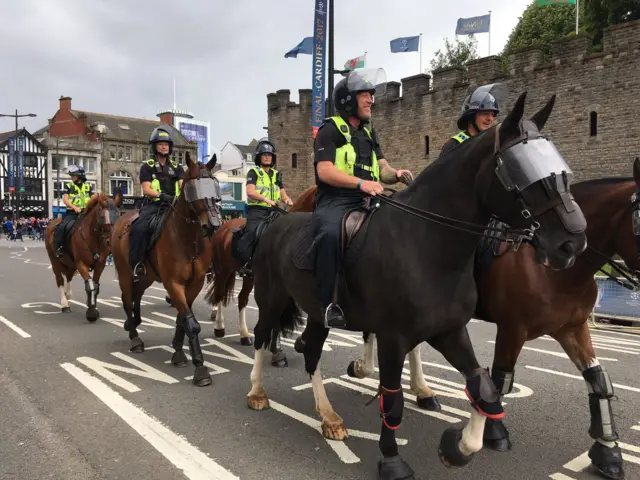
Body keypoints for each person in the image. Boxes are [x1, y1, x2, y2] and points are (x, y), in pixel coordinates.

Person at [312, 70, 414, 328]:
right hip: (336, 200)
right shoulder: (329, 130)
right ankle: (328, 303)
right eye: (365, 95)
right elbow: (324, 171)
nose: (371, 100)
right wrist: (361, 183)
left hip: (369, 198)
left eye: (371, 95)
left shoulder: (369, 133)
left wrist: (397, 174)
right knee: (330, 234)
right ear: (348, 99)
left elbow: (383, 169)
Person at [129, 126, 184, 282]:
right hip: (153, 206)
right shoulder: (147, 167)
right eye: (160, 144)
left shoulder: (177, 168)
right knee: (139, 228)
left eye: (166, 144)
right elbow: (146, 190)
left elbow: (182, 184)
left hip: (173, 206)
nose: (163, 146)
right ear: (154, 146)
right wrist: (161, 195)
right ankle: (137, 263)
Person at [237, 139, 293, 275]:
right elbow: (250, 191)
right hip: (257, 210)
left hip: (274, 210)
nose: (267, 157)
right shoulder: (254, 172)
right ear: (259, 157)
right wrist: (266, 199)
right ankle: (246, 261)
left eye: (270, 155)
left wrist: (287, 199)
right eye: (264, 154)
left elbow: (282, 192)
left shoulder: (276, 174)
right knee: (252, 232)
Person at [440, 83, 502, 156]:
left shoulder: (493, 144)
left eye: (492, 115)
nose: (490, 119)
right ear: (471, 116)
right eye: (485, 113)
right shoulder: (453, 146)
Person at [54, 165, 94, 257]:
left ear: (79, 176)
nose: (71, 177)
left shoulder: (88, 187)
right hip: (72, 213)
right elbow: (65, 200)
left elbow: (92, 199)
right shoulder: (69, 186)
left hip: (86, 213)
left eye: (73, 175)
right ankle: (60, 248)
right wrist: (75, 208)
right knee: (61, 227)